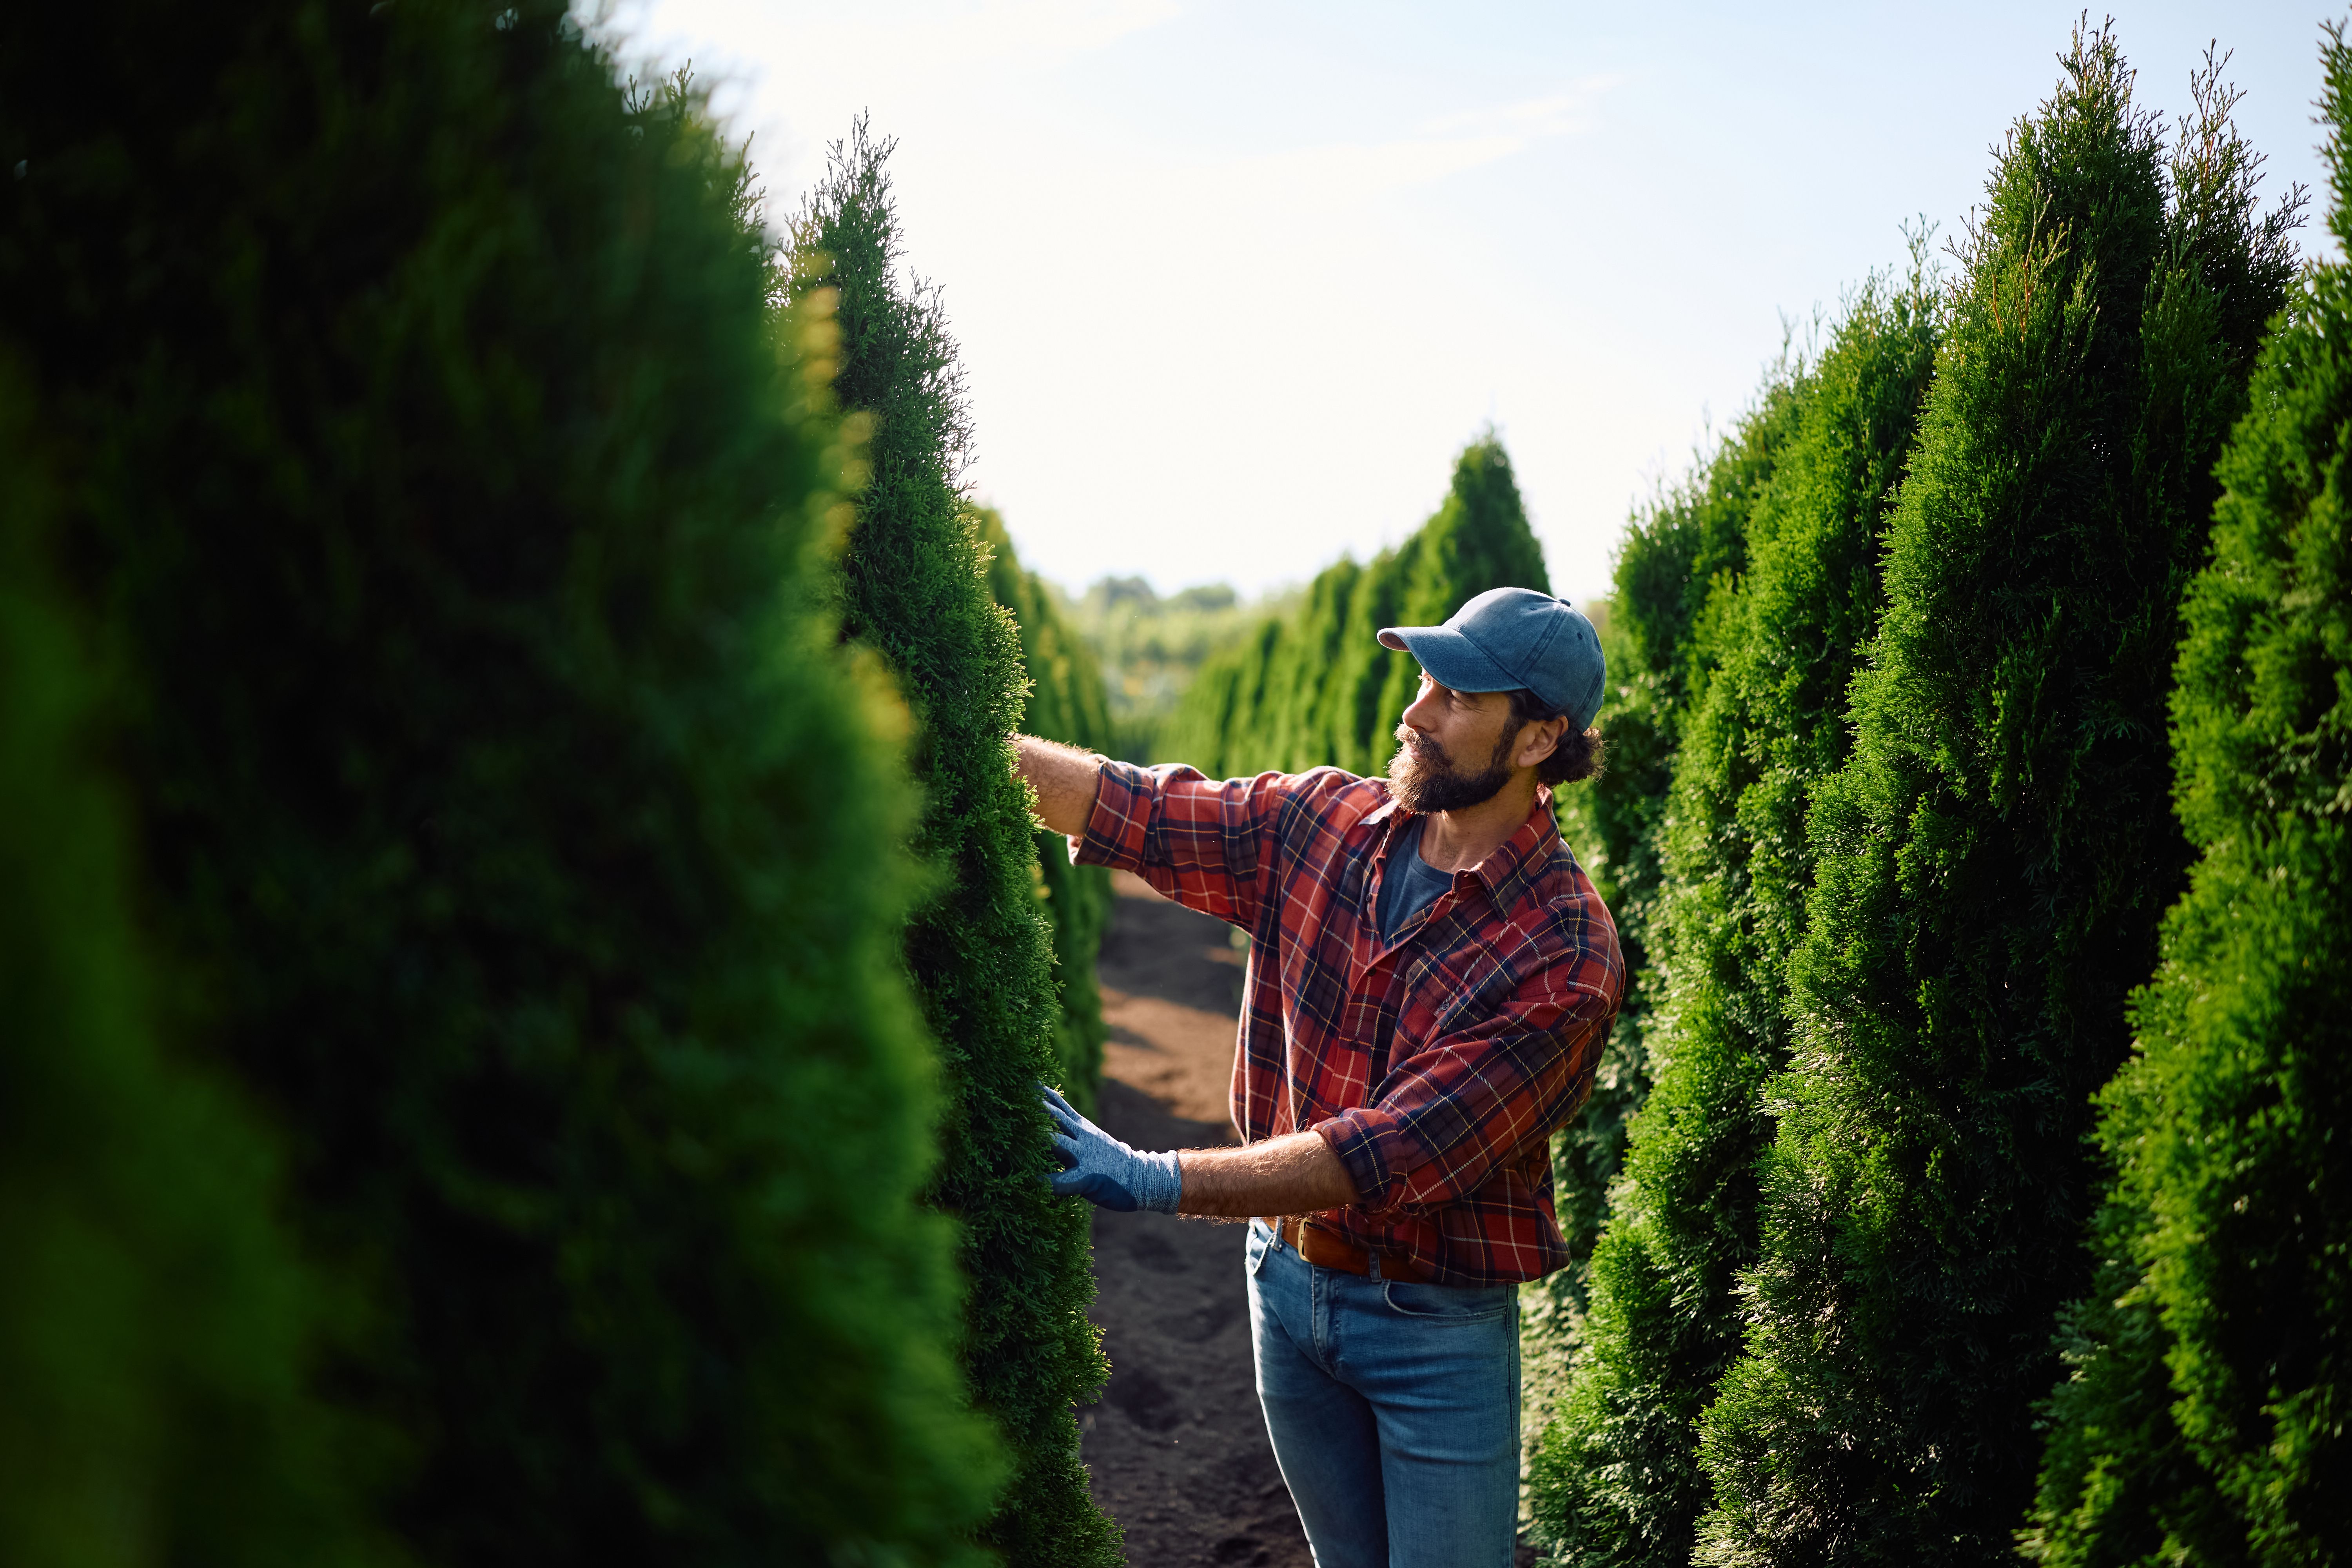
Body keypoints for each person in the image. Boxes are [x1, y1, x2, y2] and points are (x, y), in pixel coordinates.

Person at [1018, 585, 1623, 1568]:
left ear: (1539, 738)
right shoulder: (1326, 821)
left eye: (1458, 697)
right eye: (1423, 679)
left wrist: (1154, 1176)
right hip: (1283, 1284)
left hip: (1433, 1335)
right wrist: (962, 737)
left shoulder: (1563, 952)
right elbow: (1139, 810)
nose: (1415, 712)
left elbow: (1386, 1150)